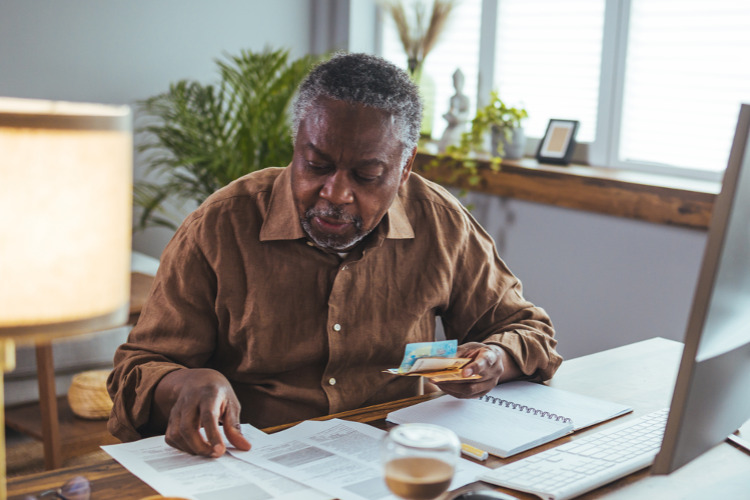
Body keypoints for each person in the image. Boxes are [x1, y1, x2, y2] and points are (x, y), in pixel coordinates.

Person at [107, 52, 562, 458]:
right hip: (253, 457)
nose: (335, 193)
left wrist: (494, 359)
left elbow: (528, 330)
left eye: (366, 175)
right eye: (317, 165)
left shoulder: (439, 221)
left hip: (397, 455)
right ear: (296, 147)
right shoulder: (222, 224)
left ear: (405, 167)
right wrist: (183, 383)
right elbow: (136, 370)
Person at [438, 68, 471, 153]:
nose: (456, 84)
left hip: (459, 125)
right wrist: (447, 116)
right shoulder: (452, 98)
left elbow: (466, 114)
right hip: (451, 124)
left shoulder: (465, 99)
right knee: (444, 141)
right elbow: (450, 111)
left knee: (453, 139)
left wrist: (458, 117)